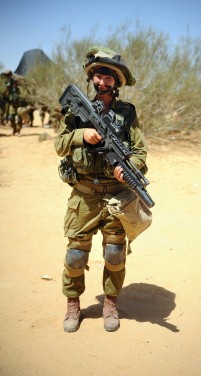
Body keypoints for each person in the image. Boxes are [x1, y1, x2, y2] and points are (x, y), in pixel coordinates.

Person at [54, 46, 148, 333]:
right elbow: (60, 145)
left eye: (109, 78)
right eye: (98, 76)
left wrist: (128, 167)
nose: (103, 83)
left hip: (114, 197)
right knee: (76, 255)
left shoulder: (127, 114)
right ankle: (73, 304)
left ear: (117, 83)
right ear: (91, 78)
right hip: (83, 194)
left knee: (114, 253)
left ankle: (110, 303)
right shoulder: (75, 110)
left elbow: (141, 153)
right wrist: (83, 135)